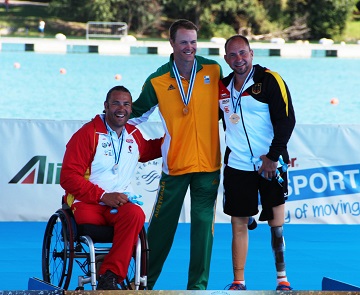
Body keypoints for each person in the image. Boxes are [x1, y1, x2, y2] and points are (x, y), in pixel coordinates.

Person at [129, 19, 222, 290]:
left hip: (208, 165)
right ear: (171, 44)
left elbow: (231, 104)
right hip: (175, 166)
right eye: (183, 42)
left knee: (203, 230)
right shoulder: (158, 79)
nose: (189, 47)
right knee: (159, 229)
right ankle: (142, 283)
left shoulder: (213, 70)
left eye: (193, 41)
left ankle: (197, 288)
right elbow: (134, 116)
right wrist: (103, 125)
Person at [60, 85, 162, 290]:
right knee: (107, 222)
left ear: (131, 109)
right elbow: (68, 177)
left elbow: (149, 150)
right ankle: (108, 268)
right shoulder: (88, 134)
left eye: (126, 104)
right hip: (88, 205)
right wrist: (103, 196)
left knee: (135, 215)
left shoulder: (133, 133)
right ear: (105, 106)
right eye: (115, 103)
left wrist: (177, 139)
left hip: (120, 204)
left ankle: (110, 275)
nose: (121, 108)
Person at [218, 35, 296, 291]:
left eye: (243, 53)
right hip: (238, 164)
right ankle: (238, 281)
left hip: (270, 164)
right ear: (226, 58)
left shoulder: (270, 80)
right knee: (238, 222)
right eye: (232, 55)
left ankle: (282, 278)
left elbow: (287, 120)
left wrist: (273, 157)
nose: (238, 59)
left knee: (276, 224)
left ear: (251, 54)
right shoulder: (222, 88)